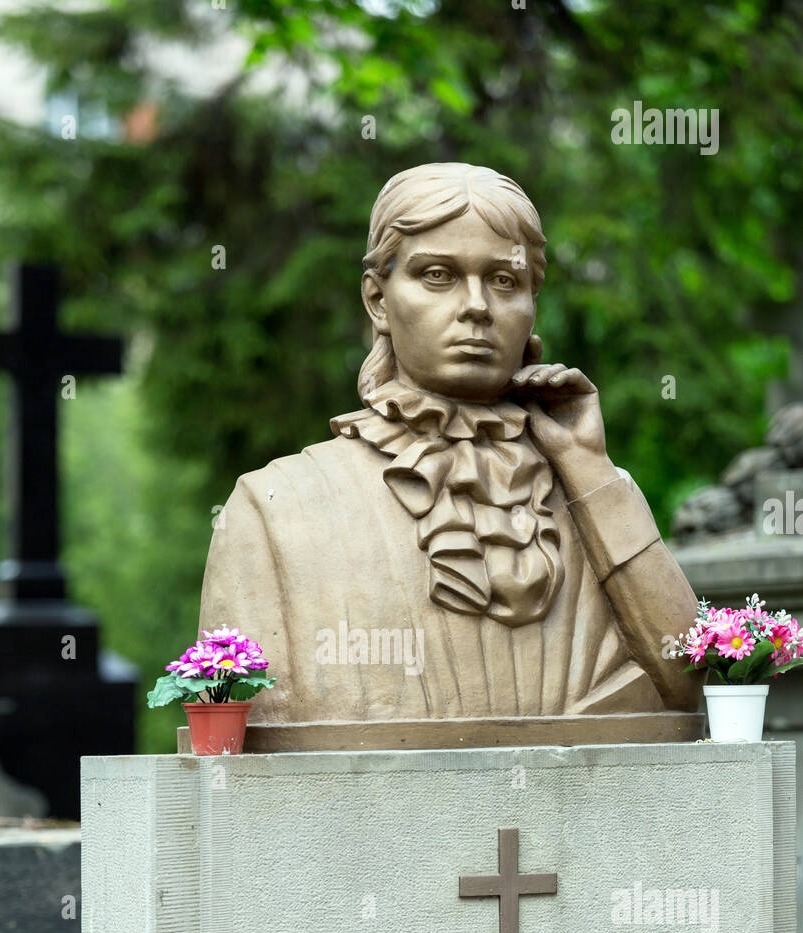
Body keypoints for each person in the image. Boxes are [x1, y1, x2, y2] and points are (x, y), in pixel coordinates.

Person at [199, 162, 701, 731]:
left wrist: (590, 472)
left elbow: (692, 690)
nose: (477, 307)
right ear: (378, 300)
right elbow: (244, 750)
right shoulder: (275, 506)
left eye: (505, 281)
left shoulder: (593, 492)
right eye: (438, 275)